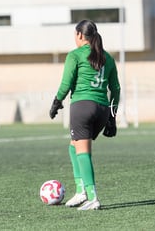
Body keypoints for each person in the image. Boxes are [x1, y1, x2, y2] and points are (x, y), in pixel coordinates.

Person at [49, 19, 120, 210]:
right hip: (102, 110)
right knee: (74, 147)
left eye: (75, 34)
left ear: (80, 35)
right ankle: (81, 191)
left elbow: (66, 83)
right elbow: (116, 89)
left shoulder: (75, 55)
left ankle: (92, 197)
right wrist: (112, 117)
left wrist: (56, 102)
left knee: (83, 153)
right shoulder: (108, 58)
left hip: (82, 107)